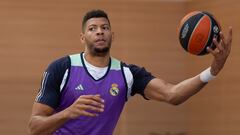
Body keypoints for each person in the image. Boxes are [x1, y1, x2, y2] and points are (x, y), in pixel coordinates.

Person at [28, 9, 232, 135]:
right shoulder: (61, 68)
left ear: (112, 35)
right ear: (82, 37)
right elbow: (35, 128)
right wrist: (68, 113)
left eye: (104, 27)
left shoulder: (127, 74)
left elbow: (173, 94)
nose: (99, 31)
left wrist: (213, 70)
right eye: (92, 28)